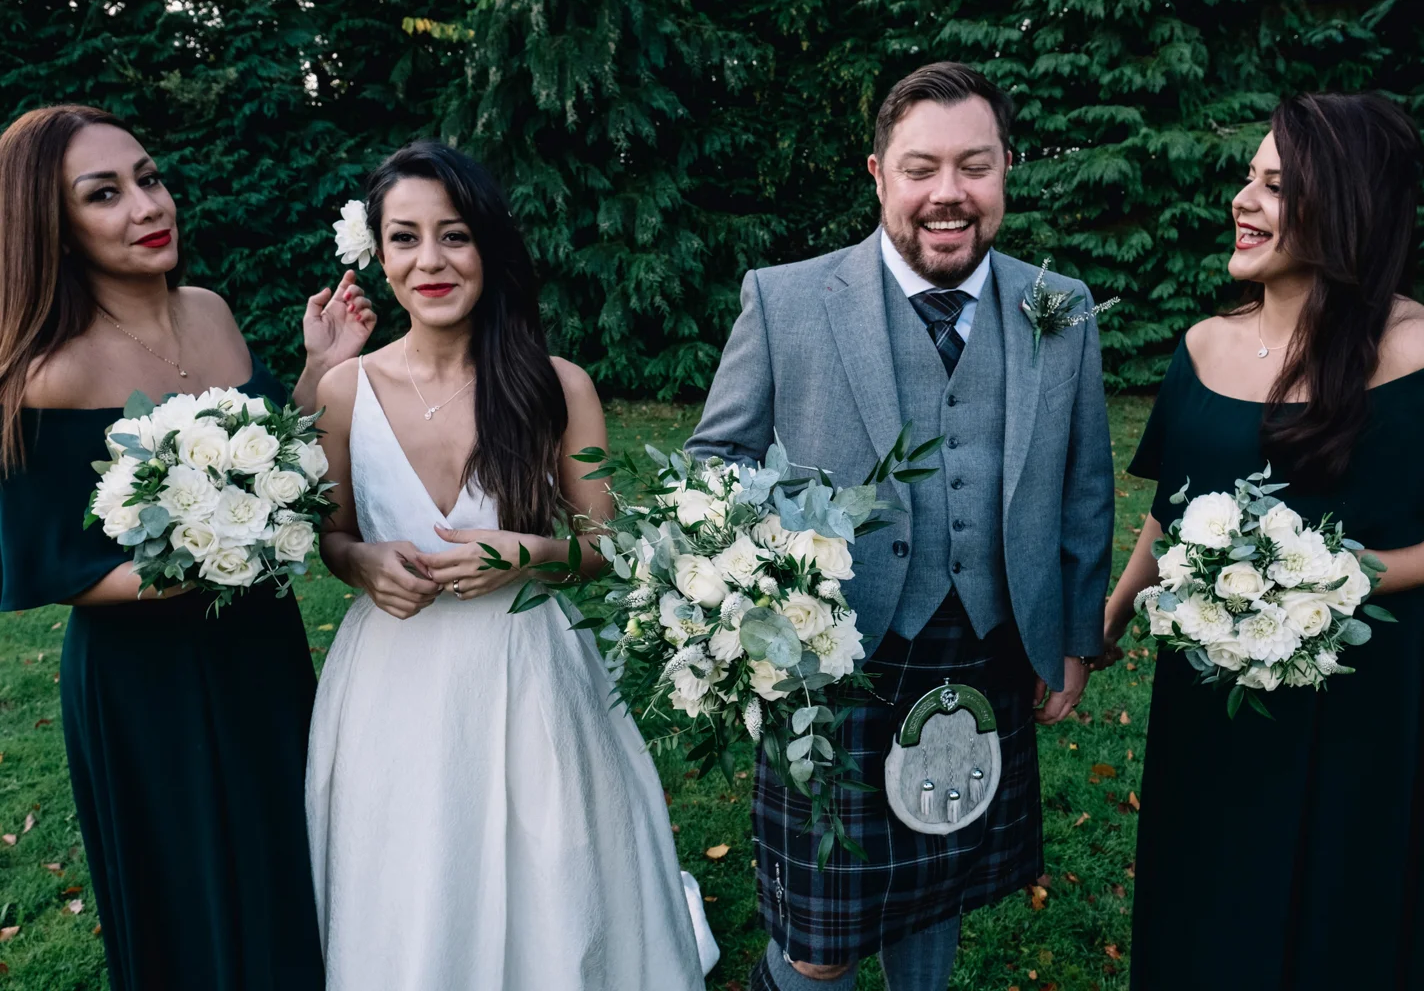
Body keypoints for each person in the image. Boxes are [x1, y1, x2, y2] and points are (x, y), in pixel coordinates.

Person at [687, 62, 1115, 991]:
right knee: (821, 937)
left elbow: (1084, 485)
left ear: (1007, 170)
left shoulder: (1062, 306)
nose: (949, 194)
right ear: (878, 172)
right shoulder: (787, 299)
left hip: (995, 646)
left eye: (976, 166)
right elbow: (712, 467)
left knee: (939, 888)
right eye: (921, 168)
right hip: (833, 659)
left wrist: (1075, 636)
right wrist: (763, 583)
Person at [1103, 93, 1424, 990]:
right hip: (1208, 698)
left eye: (1274, 185)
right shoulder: (1203, 346)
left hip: (1356, 712)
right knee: (1203, 903)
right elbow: (1173, 508)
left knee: (1334, 922)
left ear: (1345, 202)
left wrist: (1329, 582)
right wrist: (1120, 605)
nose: (1242, 200)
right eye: (1248, 178)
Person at [303, 140, 711, 991]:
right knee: (414, 871)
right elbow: (329, 536)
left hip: (531, 669)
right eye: (406, 239)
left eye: (453, 236)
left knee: (551, 862)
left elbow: (607, 551)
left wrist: (534, 553)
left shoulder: (558, 385)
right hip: (393, 678)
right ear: (380, 257)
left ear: (487, 244)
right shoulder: (345, 392)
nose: (431, 261)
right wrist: (360, 562)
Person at [0, 105, 374, 989]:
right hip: (146, 682)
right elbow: (51, 563)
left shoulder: (210, 311)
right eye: (105, 194)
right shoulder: (48, 372)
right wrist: (210, 560)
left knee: (295, 861)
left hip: (260, 647)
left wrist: (322, 366)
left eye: (149, 177)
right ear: (52, 225)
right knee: (195, 898)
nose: (146, 205)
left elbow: (277, 458)